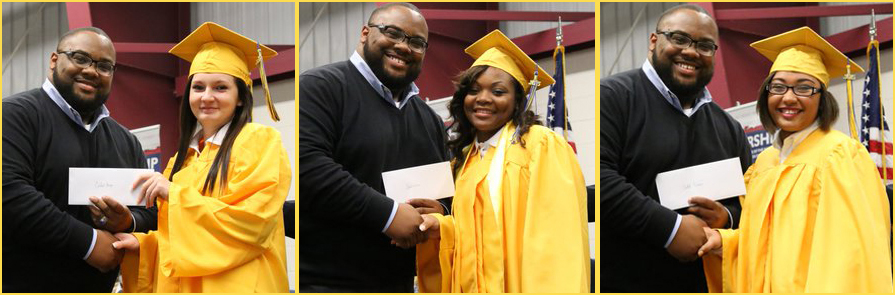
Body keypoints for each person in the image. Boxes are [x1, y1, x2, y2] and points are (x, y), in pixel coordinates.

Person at [698, 26, 892, 292]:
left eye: (804, 88)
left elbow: (849, 258)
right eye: (778, 87)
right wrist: (725, 243)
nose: (788, 98)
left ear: (822, 98)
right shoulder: (765, 163)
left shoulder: (840, 156)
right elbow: (764, 243)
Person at [108, 22, 291, 292]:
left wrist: (175, 194)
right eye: (198, 87)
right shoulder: (181, 161)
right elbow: (185, 236)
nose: (207, 97)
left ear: (241, 96)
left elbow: (252, 225)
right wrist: (146, 246)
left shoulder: (259, 142)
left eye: (220, 88)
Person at [415, 29, 590, 292]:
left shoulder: (540, 145)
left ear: (517, 100)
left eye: (498, 91)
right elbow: (472, 234)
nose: (483, 99)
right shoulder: (464, 160)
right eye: (474, 91)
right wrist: (440, 226)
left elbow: (556, 238)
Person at [599, 4, 752, 292]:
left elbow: (750, 203)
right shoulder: (612, 97)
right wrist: (670, 229)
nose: (692, 52)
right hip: (625, 281)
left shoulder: (729, 128)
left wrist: (726, 217)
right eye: (679, 38)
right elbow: (603, 181)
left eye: (705, 46)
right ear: (654, 41)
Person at [299, 2, 450, 292]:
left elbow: (447, 192)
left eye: (417, 42)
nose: (404, 47)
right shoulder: (320, 87)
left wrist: (440, 211)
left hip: (400, 283)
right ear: (365, 33)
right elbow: (311, 169)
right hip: (325, 282)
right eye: (393, 33)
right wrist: (388, 215)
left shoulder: (429, 119)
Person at [2, 27, 158, 292]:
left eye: (104, 66)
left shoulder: (126, 141)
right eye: (80, 58)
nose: (91, 71)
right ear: (54, 60)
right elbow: (10, 195)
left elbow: (150, 212)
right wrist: (88, 243)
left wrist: (127, 222)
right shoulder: (14, 116)